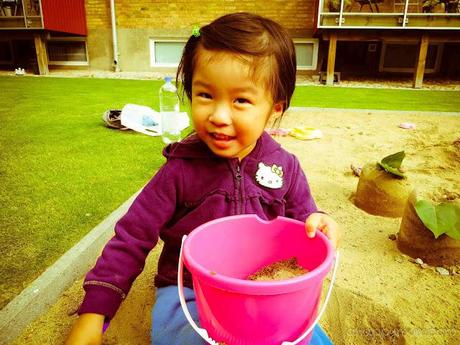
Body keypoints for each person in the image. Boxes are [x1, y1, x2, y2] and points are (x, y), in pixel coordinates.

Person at [65, 12, 340, 345]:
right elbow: (131, 238)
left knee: (312, 340)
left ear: (275, 109)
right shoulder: (179, 171)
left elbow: (306, 223)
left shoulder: (286, 167)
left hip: (262, 291)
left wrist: (320, 222)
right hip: (190, 292)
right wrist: (94, 314)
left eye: (241, 100)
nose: (219, 116)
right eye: (206, 95)